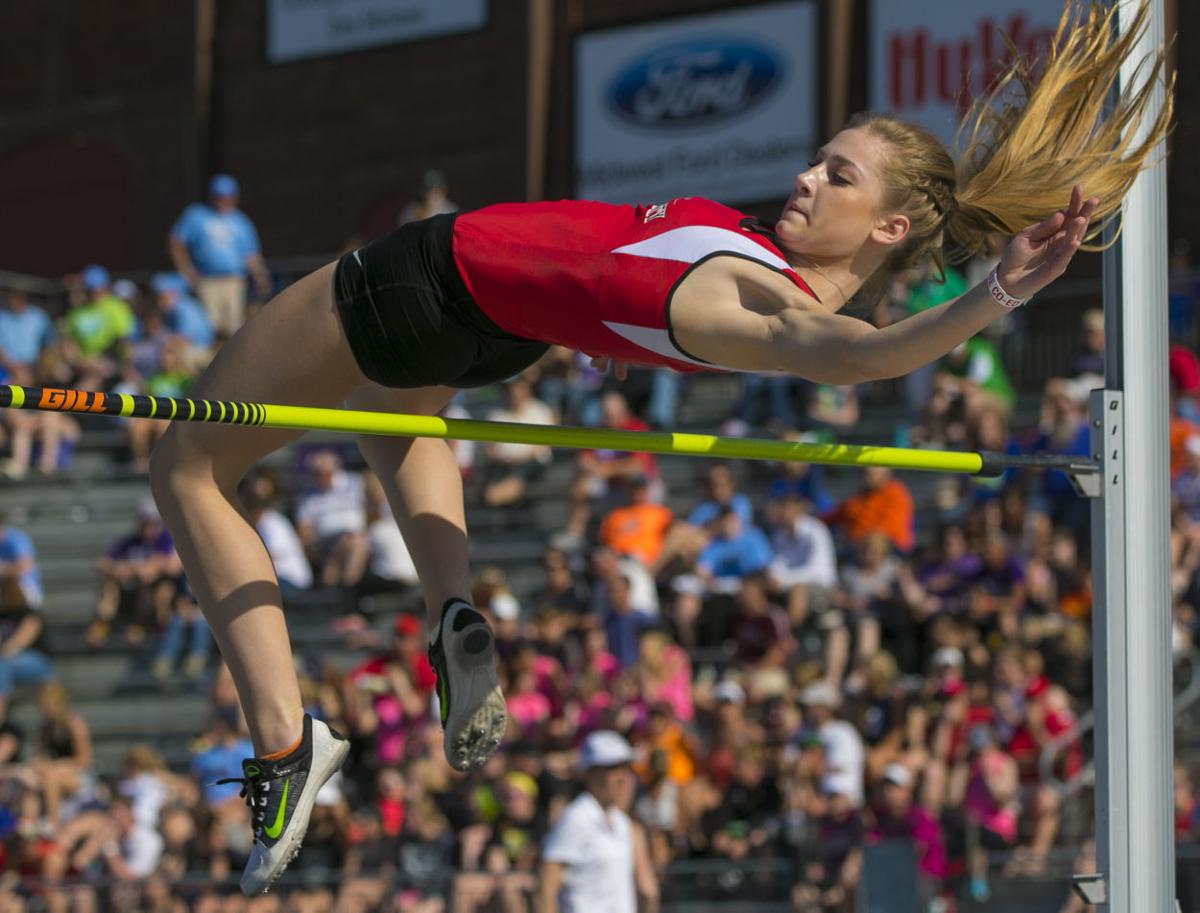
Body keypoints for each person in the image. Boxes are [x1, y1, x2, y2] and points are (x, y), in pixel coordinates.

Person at [147, 1, 1168, 894]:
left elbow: (863, 356)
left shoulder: (760, 304)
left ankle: (285, 741)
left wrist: (998, 293)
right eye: (818, 156)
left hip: (428, 276)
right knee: (396, 408)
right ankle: (449, 605)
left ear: (891, 226)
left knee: (188, 464)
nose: (807, 176)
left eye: (838, 173)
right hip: (495, 325)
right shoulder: (765, 265)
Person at [538, 730, 658, 913]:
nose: (623, 778)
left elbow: (645, 889)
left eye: (626, 769)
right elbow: (547, 886)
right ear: (590, 775)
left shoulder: (621, 822)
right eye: (613, 769)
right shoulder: (576, 818)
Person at [169, 174, 271, 337]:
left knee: (235, 330)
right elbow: (177, 242)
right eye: (219, 196)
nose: (223, 200)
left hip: (234, 280)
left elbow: (251, 255)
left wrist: (260, 277)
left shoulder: (241, 221)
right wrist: (185, 269)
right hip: (207, 280)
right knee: (210, 329)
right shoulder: (196, 215)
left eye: (227, 196)